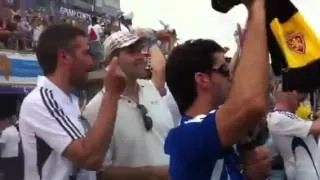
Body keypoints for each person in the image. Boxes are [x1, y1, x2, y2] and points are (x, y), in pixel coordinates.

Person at [164, 0, 271, 179]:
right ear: (202, 80)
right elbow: (252, 103)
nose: (231, 76)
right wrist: (256, 7)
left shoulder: (218, 134)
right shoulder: (187, 136)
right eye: (224, 70)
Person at [19, 24, 126, 180]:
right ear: (63, 56)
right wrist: (111, 94)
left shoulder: (68, 101)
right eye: (86, 53)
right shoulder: (40, 101)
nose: (91, 63)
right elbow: (90, 158)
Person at [83, 30, 178, 180]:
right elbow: (100, 172)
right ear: (111, 61)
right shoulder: (95, 109)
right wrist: (152, 173)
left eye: (140, 50)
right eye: (132, 52)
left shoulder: (152, 89)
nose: (141, 56)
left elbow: (159, 67)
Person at [267, 90, 320, 180]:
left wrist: (314, 116)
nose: (300, 102)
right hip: (305, 175)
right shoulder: (278, 118)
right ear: (290, 94)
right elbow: (318, 127)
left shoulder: (290, 116)